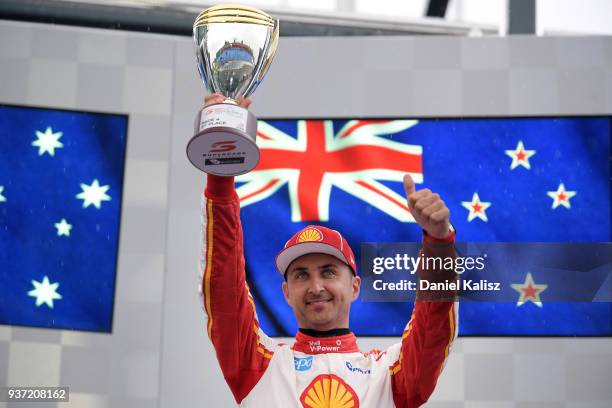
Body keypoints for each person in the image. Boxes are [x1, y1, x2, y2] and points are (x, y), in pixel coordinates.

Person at [199, 94, 458, 407]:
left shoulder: (389, 376)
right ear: (285, 292)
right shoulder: (258, 366)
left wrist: (439, 242)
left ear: (355, 286)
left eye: (329, 271)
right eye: (301, 275)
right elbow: (224, 288)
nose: (316, 286)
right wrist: (221, 171)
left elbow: (434, 328)